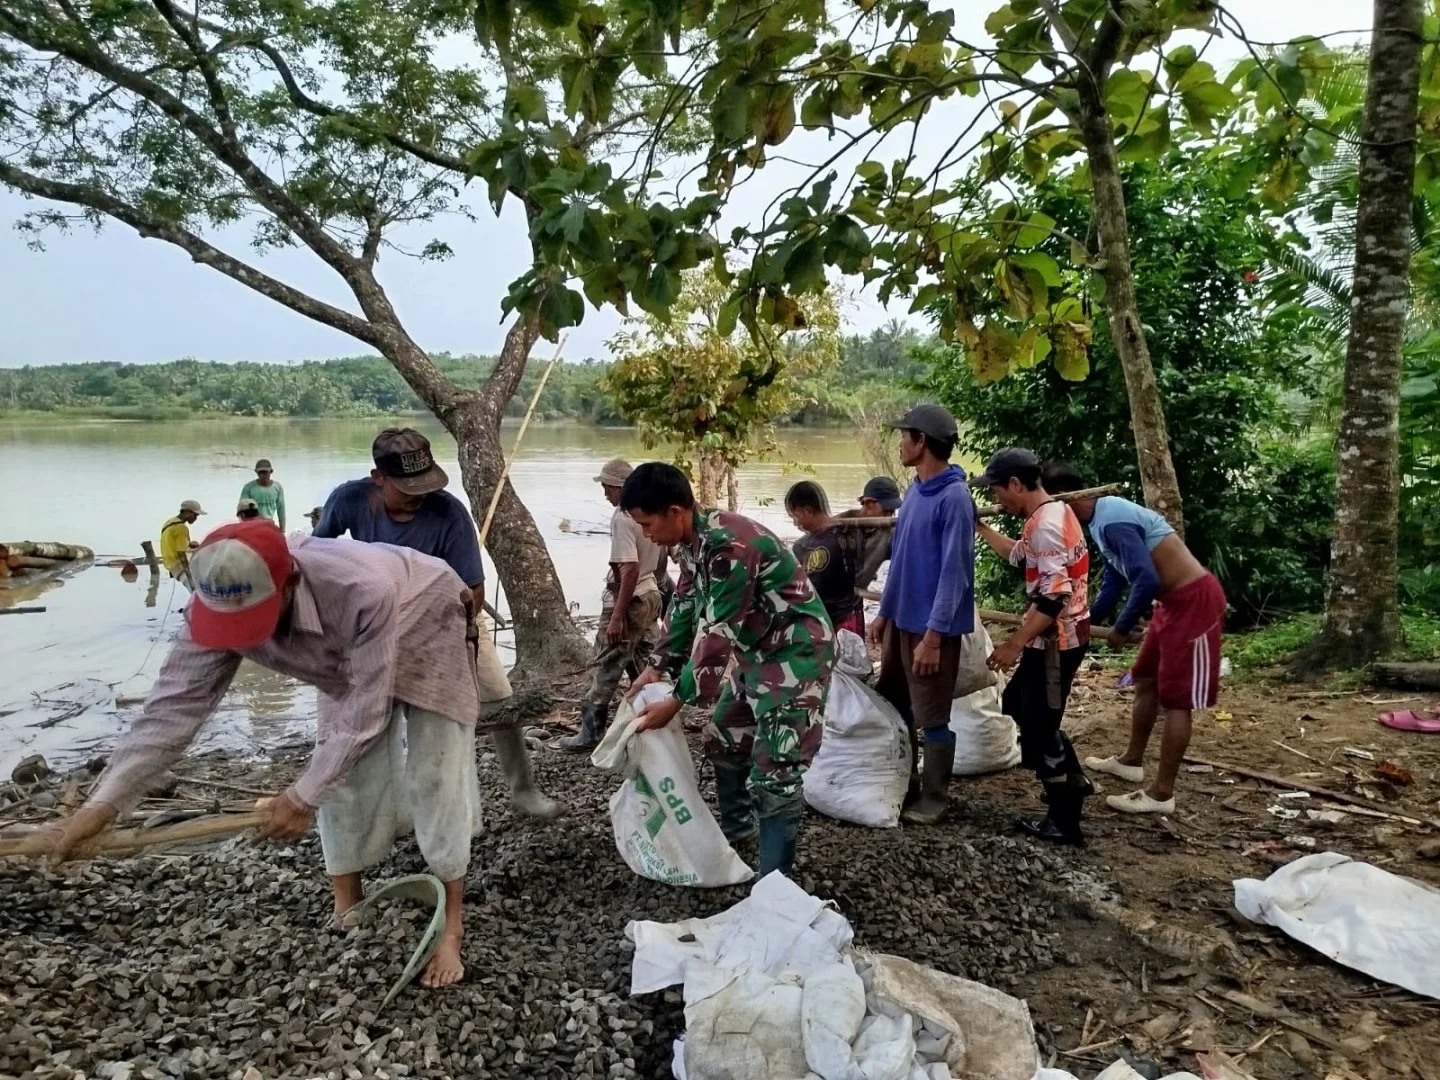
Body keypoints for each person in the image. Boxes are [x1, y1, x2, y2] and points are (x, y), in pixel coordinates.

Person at [40, 521, 494, 989]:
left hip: (427, 615)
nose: (243, 634)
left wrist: (300, 798)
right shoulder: (214, 598)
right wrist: (105, 804)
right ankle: (348, 905)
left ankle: (452, 925)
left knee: (437, 769)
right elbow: (170, 710)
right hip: (342, 653)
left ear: (290, 580)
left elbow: (366, 710)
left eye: (254, 616)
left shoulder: (361, 591)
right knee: (339, 771)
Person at [314, 427, 562, 819]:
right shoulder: (349, 500)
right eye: (406, 488)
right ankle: (387, 807)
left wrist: (439, 635)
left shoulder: (448, 512)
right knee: (376, 716)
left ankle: (523, 789)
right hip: (377, 625)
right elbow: (318, 552)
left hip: (451, 619)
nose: (419, 495)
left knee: (500, 697)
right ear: (378, 478)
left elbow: (473, 592)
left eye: (424, 485)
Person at [622, 463, 834, 876]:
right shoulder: (692, 544)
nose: (646, 534)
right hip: (758, 650)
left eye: (647, 524)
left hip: (796, 653)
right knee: (723, 736)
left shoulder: (728, 546)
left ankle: (776, 883)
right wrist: (657, 667)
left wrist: (678, 699)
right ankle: (739, 836)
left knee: (776, 765)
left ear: (675, 511)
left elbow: (719, 635)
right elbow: (684, 608)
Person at [1042, 463, 1226, 816]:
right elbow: (1115, 579)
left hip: (1193, 602)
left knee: (1177, 700)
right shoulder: (1097, 521)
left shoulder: (1112, 518)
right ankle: (1131, 761)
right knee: (1145, 677)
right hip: (1169, 604)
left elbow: (1145, 577)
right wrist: (1085, 619)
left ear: (1066, 497)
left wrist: (1122, 627)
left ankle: (1161, 794)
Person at [974, 448, 1094, 846]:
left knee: (1041, 730)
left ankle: (1064, 821)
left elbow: (1053, 597)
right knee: (1017, 705)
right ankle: (1072, 781)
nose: (996, 501)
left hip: (1057, 642)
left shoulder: (1045, 525)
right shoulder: (1049, 515)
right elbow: (1018, 555)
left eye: (996, 491)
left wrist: (1013, 644)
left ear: (1015, 484)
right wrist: (981, 528)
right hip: (1053, 637)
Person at [867, 405, 975, 826]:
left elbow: (955, 576)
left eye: (904, 436)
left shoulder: (954, 498)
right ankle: (905, 781)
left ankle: (934, 797)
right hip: (902, 620)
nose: (900, 443)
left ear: (922, 442)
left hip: (933, 628)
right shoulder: (914, 491)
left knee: (932, 714)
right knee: (897, 703)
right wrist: (884, 613)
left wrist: (934, 637)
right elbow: (903, 559)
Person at [558, 458, 664, 751]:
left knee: (607, 663)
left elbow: (628, 569)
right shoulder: (651, 514)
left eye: (608, 488)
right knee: (647, 662)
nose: (606, 494)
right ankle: (658, 719)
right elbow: (661, 560)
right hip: (649, 595)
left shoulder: (622, 516)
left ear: (621, 488)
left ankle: (590, 733)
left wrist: (617, 615)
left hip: (629, 599)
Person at [785, 480, 865, 637]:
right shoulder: (851, 533)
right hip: (853, 616)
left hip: (828, 623)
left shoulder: (807, 547)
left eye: (796, 516)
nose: (795, 523)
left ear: (808, 510)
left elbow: (807, 591)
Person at [842, 476, 904, 590]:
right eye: (886, 511)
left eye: (891, 512)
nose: (888, 516)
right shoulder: (842, 523)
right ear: (867, 503)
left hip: (853, 601)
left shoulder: (889, 534)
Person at [159, 499, 205, 588]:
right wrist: (188, 574)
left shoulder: (170, 522)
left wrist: (189, 544)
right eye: (195, 515)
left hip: (169, 563)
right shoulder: (181, 528)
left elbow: (172, 541)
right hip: (179, 566)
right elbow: (181, 553)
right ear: (187, 512)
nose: (196, 518)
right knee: (196, 591)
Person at [240, 458, 286, 531]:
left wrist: (282, 530)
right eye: (260, 472)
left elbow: (281, 510)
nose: (262, 475)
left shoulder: (277, 487)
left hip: (269, 524)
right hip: (253, 525)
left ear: (271, 471)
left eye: (265, 472)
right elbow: (242, 509)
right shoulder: (249, 487)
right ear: (256, 472)